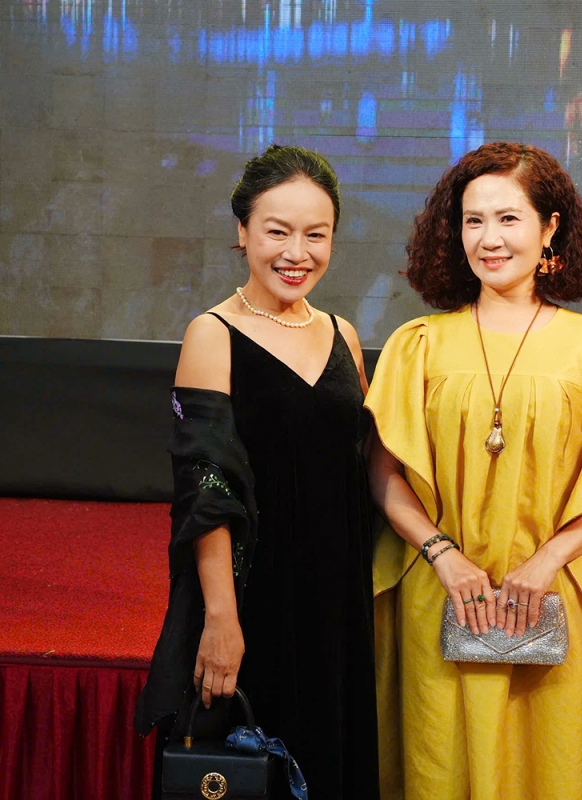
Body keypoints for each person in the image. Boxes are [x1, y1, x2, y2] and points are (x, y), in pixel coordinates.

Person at [364, 142, 582, 799]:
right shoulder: (418, 345)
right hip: (444, 598)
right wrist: (443, 556)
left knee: (555, 767)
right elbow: (384, 475)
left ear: (549, 228)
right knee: (439, 768)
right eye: (473, 220)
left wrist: (546, 562)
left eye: (508, 218)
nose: (489, 239)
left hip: (557, 598)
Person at [135, 144, 380, 799]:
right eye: (277, 232)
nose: (297, 252)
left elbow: (362, 468)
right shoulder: (212, 333)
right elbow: (205, 488)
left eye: (315, 235)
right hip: (252, 598)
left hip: (336, 600)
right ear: (243, 231)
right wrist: (221, 619)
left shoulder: (343, 335)